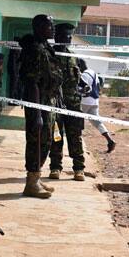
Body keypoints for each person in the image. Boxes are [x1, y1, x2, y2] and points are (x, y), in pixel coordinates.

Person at [17, 14, 62, 199]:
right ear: (38, 27)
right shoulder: (34, 49)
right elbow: (32, 82)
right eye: (49, 26)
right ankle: (31, 181)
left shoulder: (45, 47)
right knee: (37, 140)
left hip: (48, 101)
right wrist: (36, 112)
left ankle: (36, 177)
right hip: (38, 101)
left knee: (47, 140)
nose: (52, 29)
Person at [48, 23, 86, 181]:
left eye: (69, 37)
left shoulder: (75, 58)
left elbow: (81, 80)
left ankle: (79, 168)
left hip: (73, 105)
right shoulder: (49, 56)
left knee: (75, 136)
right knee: (56, 135)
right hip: (55, 103)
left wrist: (85, 87)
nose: (67, 39)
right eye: (64, 36)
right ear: (57, 38)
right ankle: (55, 167)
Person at [78, 59, 116, 153]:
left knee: (77, 123)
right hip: (95, 101)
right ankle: (109, 140)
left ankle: (79, 147)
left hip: (85, 101)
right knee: (97, 123)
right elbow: (99, 86)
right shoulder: (93, 72)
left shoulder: (84, 75)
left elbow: (84, 88)